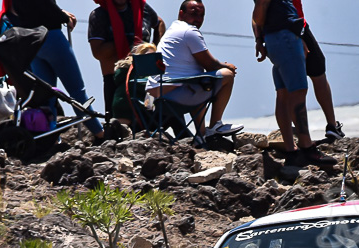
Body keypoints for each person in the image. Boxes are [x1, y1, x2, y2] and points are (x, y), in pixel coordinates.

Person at [0, 0, 105, 142]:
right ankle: (99, 133)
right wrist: (64, 17)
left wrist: (60, 13)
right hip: (52, 37)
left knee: (47, 97)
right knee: (77, 91)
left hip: (33, 42)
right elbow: (46, 6)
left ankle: (51, 138)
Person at [252, 0, 336, 167]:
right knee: (298, 92)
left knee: (283, 92)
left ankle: (292, 151)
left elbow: (257, 14)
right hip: (284, 35)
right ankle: (307, 148)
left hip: (276, 36)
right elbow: (259, 11)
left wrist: (260, 38)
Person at [147, 0, 243, 146]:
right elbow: (210, 65)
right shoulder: (189, 31)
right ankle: (215, 125)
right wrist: (227, 66)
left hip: (154, 98)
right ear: (181, 13)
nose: (198, 19)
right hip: (174, 96)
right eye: (194, 13)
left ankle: (201, 135)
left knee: (200, 81)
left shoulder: (172, 30)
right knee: (226, 76)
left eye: (201, 15)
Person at [88, 0, 166, 118]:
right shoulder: (99, 15)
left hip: (146, 79)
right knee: (118, 121)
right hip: (116, 79)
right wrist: (123, 42)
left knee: (152, 116)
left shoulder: (142, 7)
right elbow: (98, 52)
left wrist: (154, 47)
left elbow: (159, 23)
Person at [291, 0, 344, 140]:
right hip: (295, 27)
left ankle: (299, 135)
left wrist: (259, 39)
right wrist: (298, 35)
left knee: (288, 85)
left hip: (276, 33)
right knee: (316, 76)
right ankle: (331, 126)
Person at [112, 42, 157, 125]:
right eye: (149, 56)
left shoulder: (125, 72)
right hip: (132, 108)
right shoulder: (137, 73)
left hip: (121, 107)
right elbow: (148, 89)